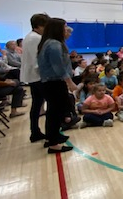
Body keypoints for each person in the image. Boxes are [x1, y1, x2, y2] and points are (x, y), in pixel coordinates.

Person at [37, 17, 78, 153]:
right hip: (54, 82)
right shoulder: (54, 44)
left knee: (54, 112)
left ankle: (53, 136)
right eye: (64, 27)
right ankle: (53, 144)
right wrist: (70, 82)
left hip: (51, 82)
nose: (66, 30)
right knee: (54, 113)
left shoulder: (49, 43)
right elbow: (58, 67)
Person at [21, 13, 50, 143]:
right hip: (38, 76)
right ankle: (50, 134)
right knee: (49, 104)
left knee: (37, 104)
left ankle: (35, 131)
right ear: (38, 26)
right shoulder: (35, 38)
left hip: (34, 76)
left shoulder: (29, 37)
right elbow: (36, 60)